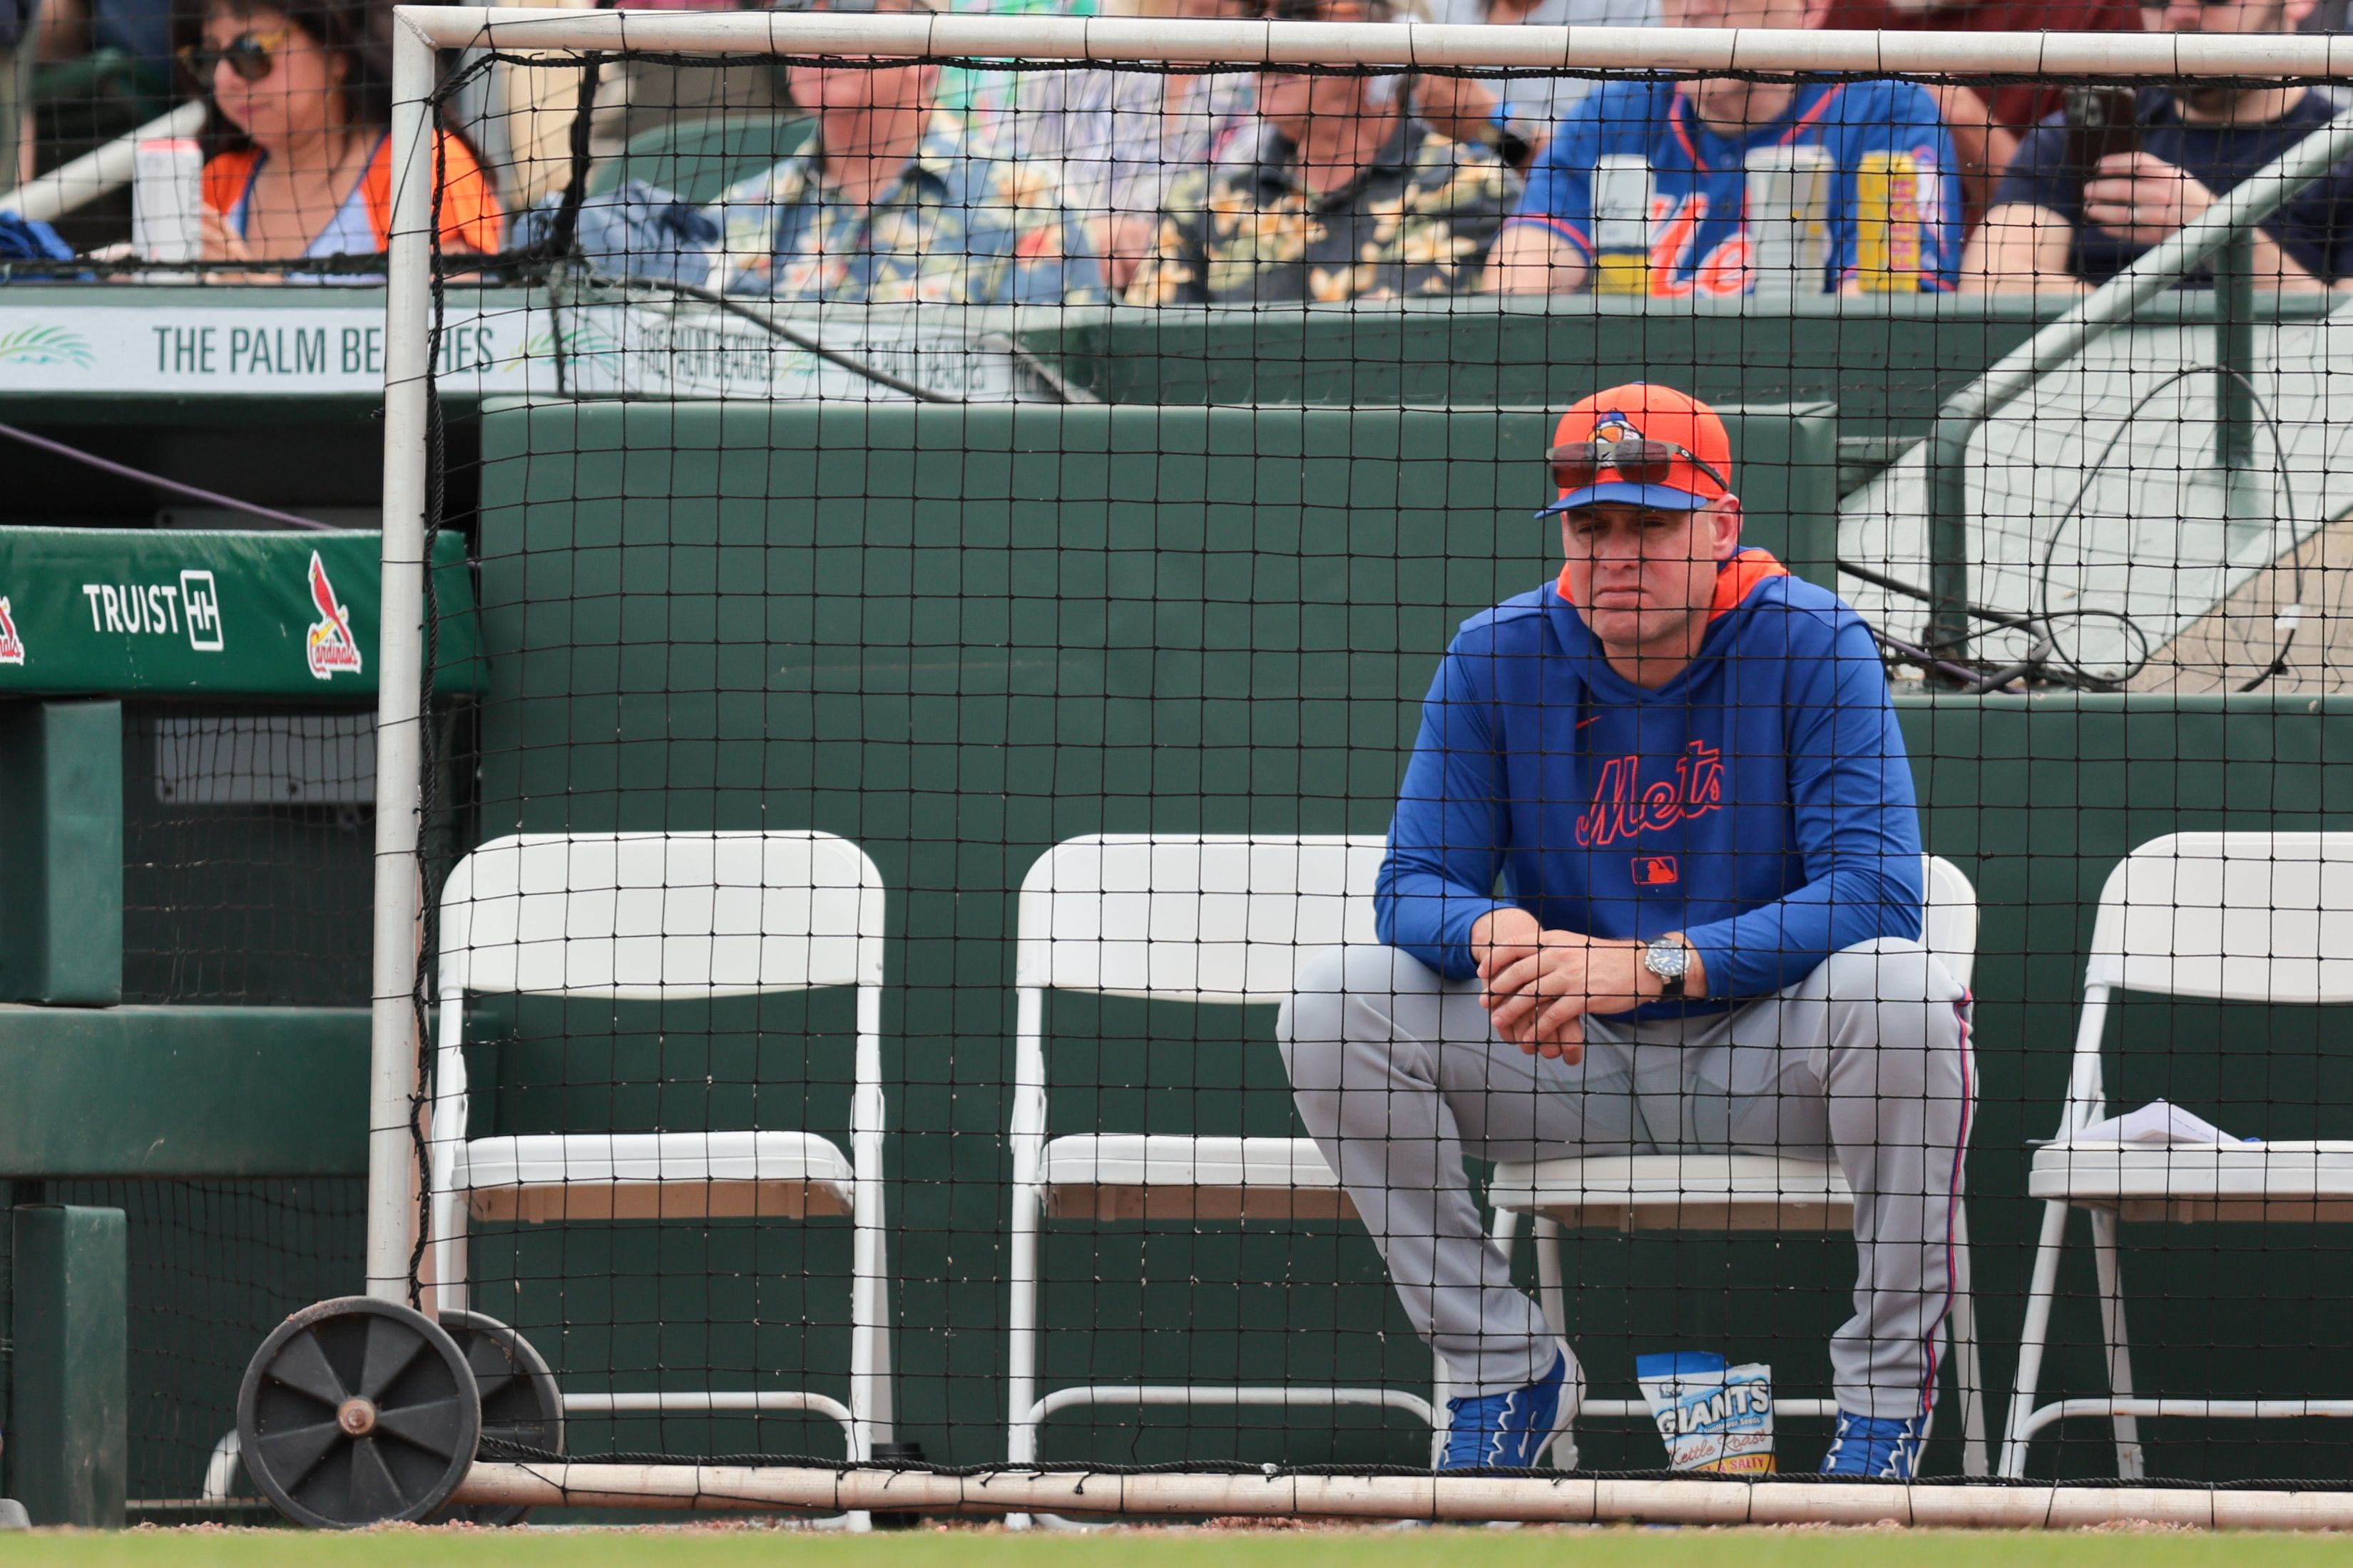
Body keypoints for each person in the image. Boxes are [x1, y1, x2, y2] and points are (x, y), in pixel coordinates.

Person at [1279, 384, 1973, 1478]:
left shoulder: (1810, 641)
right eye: (1589, 523)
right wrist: (1494, 932)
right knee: (1335, 999)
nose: (1615, 551)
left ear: (1722, 526)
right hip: (1568, 1056)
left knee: (1897, 989)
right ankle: (1499, 1367)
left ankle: (1881, 1412)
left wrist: (1649, 966)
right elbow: (1410, 885)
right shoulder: (1497, 651)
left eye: (1650, 522)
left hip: (1767, 1056)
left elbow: (1877, 894)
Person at [1481, 0, 1964, 296]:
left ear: (1808, 6)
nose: (1693, 7)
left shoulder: (1885, 111)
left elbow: (1883, 311)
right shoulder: (1611, 112)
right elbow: (1518, 281)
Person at [1122, 0, 1519, 305]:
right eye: (1254, 11)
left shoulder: (1469, 187)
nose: (1267, 32)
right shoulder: (1200, 206)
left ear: (1392, 39)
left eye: (1300, 10)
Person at [1964, 0, 2353, 291]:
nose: (2180, 14)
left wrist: (2220, 235)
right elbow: (1991, 283)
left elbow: (2343, 333)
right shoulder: (2083, 131)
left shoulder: (2343, 146)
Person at [175, 0, 501, 266]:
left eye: (251, 50)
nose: (223, 79)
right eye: (208, 58)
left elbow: (459, 329)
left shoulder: (420, 164)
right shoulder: (219, 181)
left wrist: (259, 300)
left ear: (336, 53)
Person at [989, 0, 1256, 294]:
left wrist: (1157, 242)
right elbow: (1004, 186)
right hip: (1053, 292)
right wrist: (1085, 236)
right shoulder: (1076, 67)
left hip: (1195, 306)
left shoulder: (1266, 93)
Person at [1812, 0, 2145, 225]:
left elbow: (2071, 217)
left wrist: (1954, 109)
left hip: (2014, 274)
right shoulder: (1839, 10)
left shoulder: (2095, 10)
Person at [1407, 0, 1660, 168]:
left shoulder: (1633, 10)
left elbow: (1598, 174)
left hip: (1555, 222)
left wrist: (1490, 124)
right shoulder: (1435, 8)